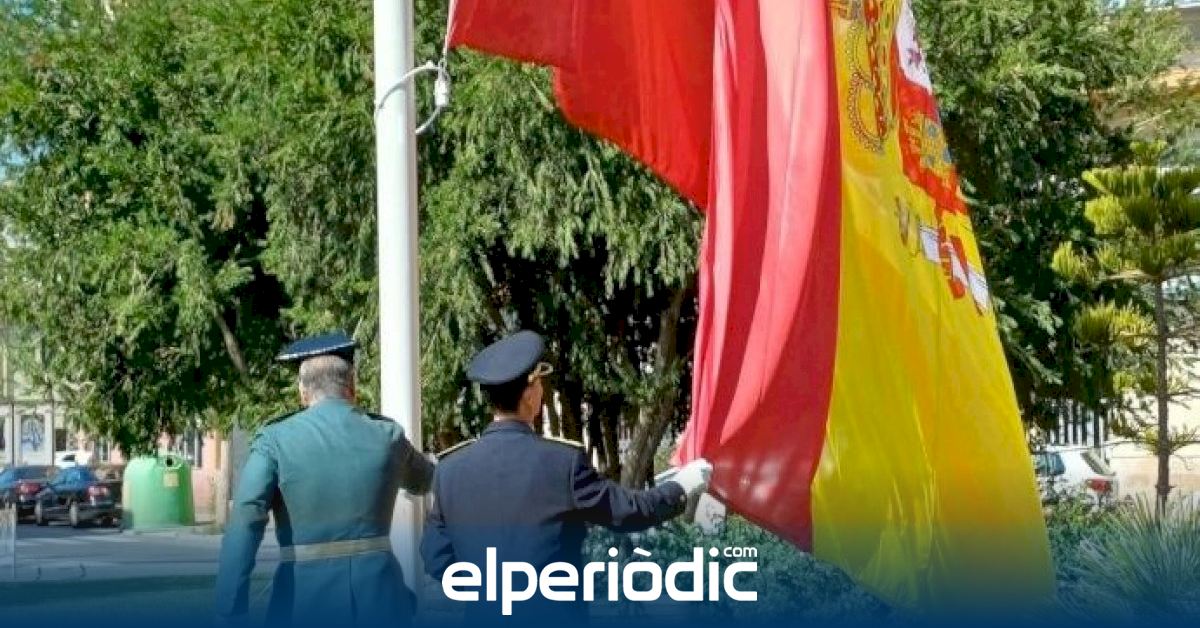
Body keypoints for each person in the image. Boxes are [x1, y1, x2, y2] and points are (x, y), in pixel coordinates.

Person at [420, 330, 713, 623]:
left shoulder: (450, 470)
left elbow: (436, 559)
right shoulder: (562, 463)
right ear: (530, 394)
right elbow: (629, 512)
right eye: (539, 383)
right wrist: (681, 486)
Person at [214, 332, 434, 627]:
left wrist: (230, 607)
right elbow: (426, 481)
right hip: (382, 600)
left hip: (301, 602)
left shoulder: (275, 440)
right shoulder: (387, 436)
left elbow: (246, 516)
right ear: (352, 386)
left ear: (302, 392)